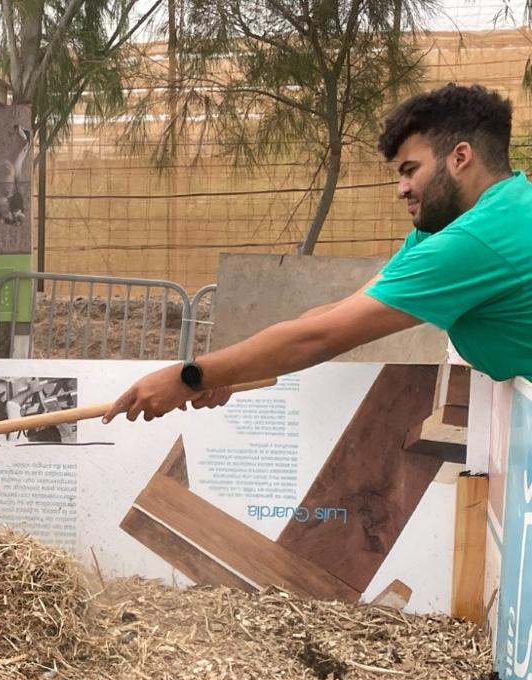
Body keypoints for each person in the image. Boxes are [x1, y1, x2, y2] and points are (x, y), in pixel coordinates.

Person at [104, 83, 532, 424]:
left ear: (460, 157)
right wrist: (224, 372)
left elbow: (320, 339)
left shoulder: (476, 241)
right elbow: (331, 315)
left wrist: (187, 376)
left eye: (409, 170)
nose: (401, 189)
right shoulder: (473, 219)